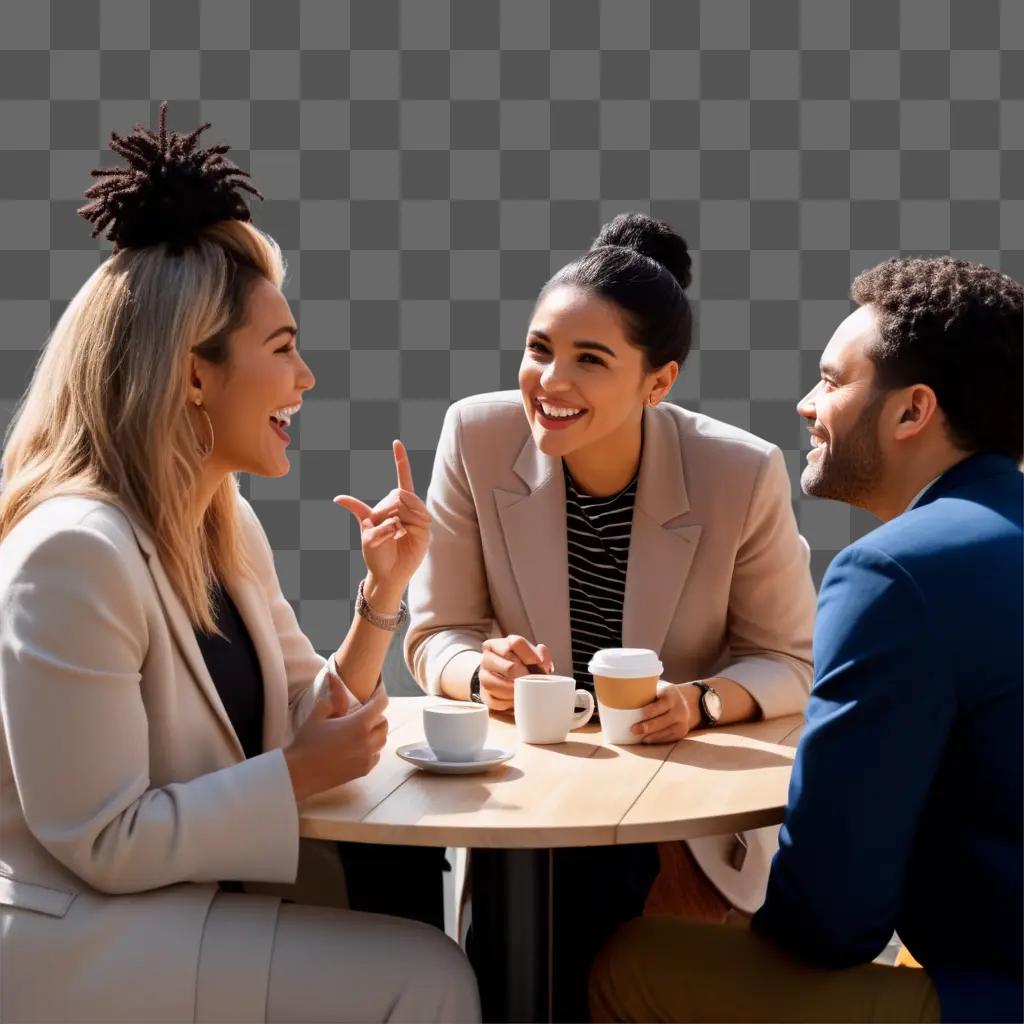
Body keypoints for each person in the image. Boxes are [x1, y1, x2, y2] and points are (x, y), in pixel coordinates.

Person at [0, 105, 479, 1024]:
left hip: (186, 910)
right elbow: (102, 838)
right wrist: (295, 774)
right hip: (84, 938)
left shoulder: (224, 524)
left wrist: (381, 598)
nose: (305, 380)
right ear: (192, 375)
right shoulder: (72, 554)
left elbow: (303, 715)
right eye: (283, 349)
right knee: (429, 976)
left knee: (411, 918)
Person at [589, 257, 1023, 1024]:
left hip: (991, 993)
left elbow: (830, 918)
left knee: (635, 961)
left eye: (830, 379)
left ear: (911, 411)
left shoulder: (895, 573)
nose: (805, 403)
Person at [405, 212, 816, 1019]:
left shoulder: (740, 470)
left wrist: (699, 702)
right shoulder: (476, 435)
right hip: (532, 811)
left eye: (590, 360)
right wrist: (476, 670)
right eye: (538, 349)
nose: (550, 381)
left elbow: (793, 659)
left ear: (656, 384)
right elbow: (435, 632)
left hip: (677, 825)